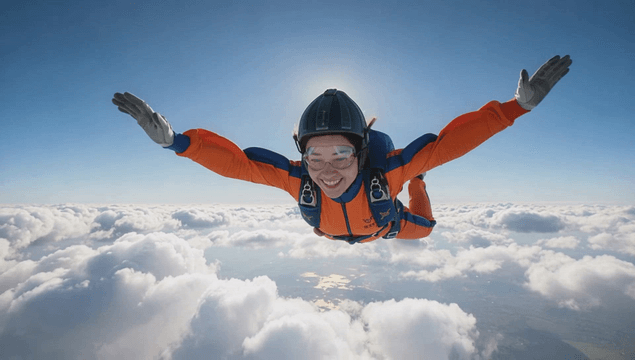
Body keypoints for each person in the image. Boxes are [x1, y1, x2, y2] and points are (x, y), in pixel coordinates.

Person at [112, 55, 572, 244]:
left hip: (384, 226)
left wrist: (514, 109)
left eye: (340, 156)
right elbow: (240, 165)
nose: (326, 171)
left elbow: (449, 144)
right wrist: (177, 143)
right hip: (340, 230)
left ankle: (420, 183)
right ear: (302, 156)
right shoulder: (298, 182)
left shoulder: (387, 173)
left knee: (427, 227)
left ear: (362, 152)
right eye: (314, 157)